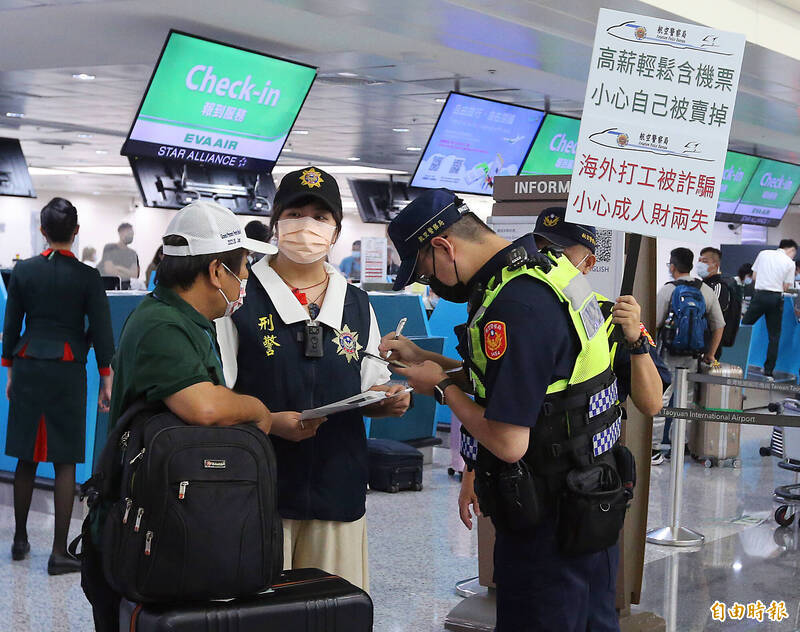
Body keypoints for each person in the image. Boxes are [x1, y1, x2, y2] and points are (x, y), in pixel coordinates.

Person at [382, 189, 627, 630]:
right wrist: (426, 357)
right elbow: (530, 384)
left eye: (424, 270)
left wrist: (439, 389)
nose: (430, 281)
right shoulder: (546, 271)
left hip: (548, 515)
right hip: (589, 493)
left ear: (443, 247)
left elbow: (510, 441)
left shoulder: (514, 305)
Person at [82, 200, 301, 632]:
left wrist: (274, 422)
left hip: (168, 531)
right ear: (216, 271)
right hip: (136, 538)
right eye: (241, 270)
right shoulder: (162, 325)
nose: (243, 283)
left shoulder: (188, 320)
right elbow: (202, 406)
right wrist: (260, 411)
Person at [217, 167, 410, 590]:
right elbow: (218, 392)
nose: (308, 225)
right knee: (260, 608)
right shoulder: (241, 299)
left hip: (336, 483)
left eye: (321, 218)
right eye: (296, 213)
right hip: (260, 486)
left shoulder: (356, 303)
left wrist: (387, 399)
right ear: (275, 223)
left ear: (337, 231)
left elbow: (370, 382)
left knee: (331, 606)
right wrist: (267, 420)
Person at [458, 207, 670, 526]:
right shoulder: (512, 311)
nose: (547, 258)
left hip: (584, 484)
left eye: (560, 251)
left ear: (588, 264)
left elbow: (651, 403)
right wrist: (470, 471)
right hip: (516, 484)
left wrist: (636, 342)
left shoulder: (607, 318)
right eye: (541, 247)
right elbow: (488, 397)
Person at [3, 197, 114, 574]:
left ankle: (20, 541)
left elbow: (11, 325)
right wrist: (106, 379)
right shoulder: (87, 276)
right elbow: (101, 330)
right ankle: (59, 553)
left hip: (29, 362)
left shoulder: (23, 272)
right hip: (68, 368)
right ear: (77, 232)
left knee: (25, 454)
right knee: (65, 459)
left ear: (42, 231)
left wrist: (10, 368)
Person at [656, 247, 725, 458]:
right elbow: (718, 325)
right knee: (685, 403)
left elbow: (654, 323)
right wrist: (710, 354)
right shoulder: (705, 290)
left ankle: (653, 449)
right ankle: (680, 448)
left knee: (661, 402)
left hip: (666, 355)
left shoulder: (668, 289)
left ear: (673, 266)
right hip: (693, 358)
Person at [742, 239, 797, 378]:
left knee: (744, 328)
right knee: (774, 337)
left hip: (759, 296)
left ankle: (735, 361)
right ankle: (768, 371)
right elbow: (786, 287)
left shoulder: (764, 253)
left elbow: (754, 276)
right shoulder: (790, 263)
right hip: (775, 299)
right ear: (791, 250)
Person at [698, 247, 742, 360]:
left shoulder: (718, 287)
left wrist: (711, 352)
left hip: (711, 344)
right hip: (698, 341)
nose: (700, 264)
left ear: (716, 265)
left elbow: (714, 316)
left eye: (705, 261)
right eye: (699, 260)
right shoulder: (701, 285)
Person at [99, 222, 140, 289]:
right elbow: (109, 270)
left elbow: (135, 274)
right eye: (129, 232)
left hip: (125, 290)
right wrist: (128, 273)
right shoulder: (110, 248)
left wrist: (119, 268)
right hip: (109, 289)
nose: (131, 235)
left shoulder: (133, 253)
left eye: (132, 233)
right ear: (120, 233)